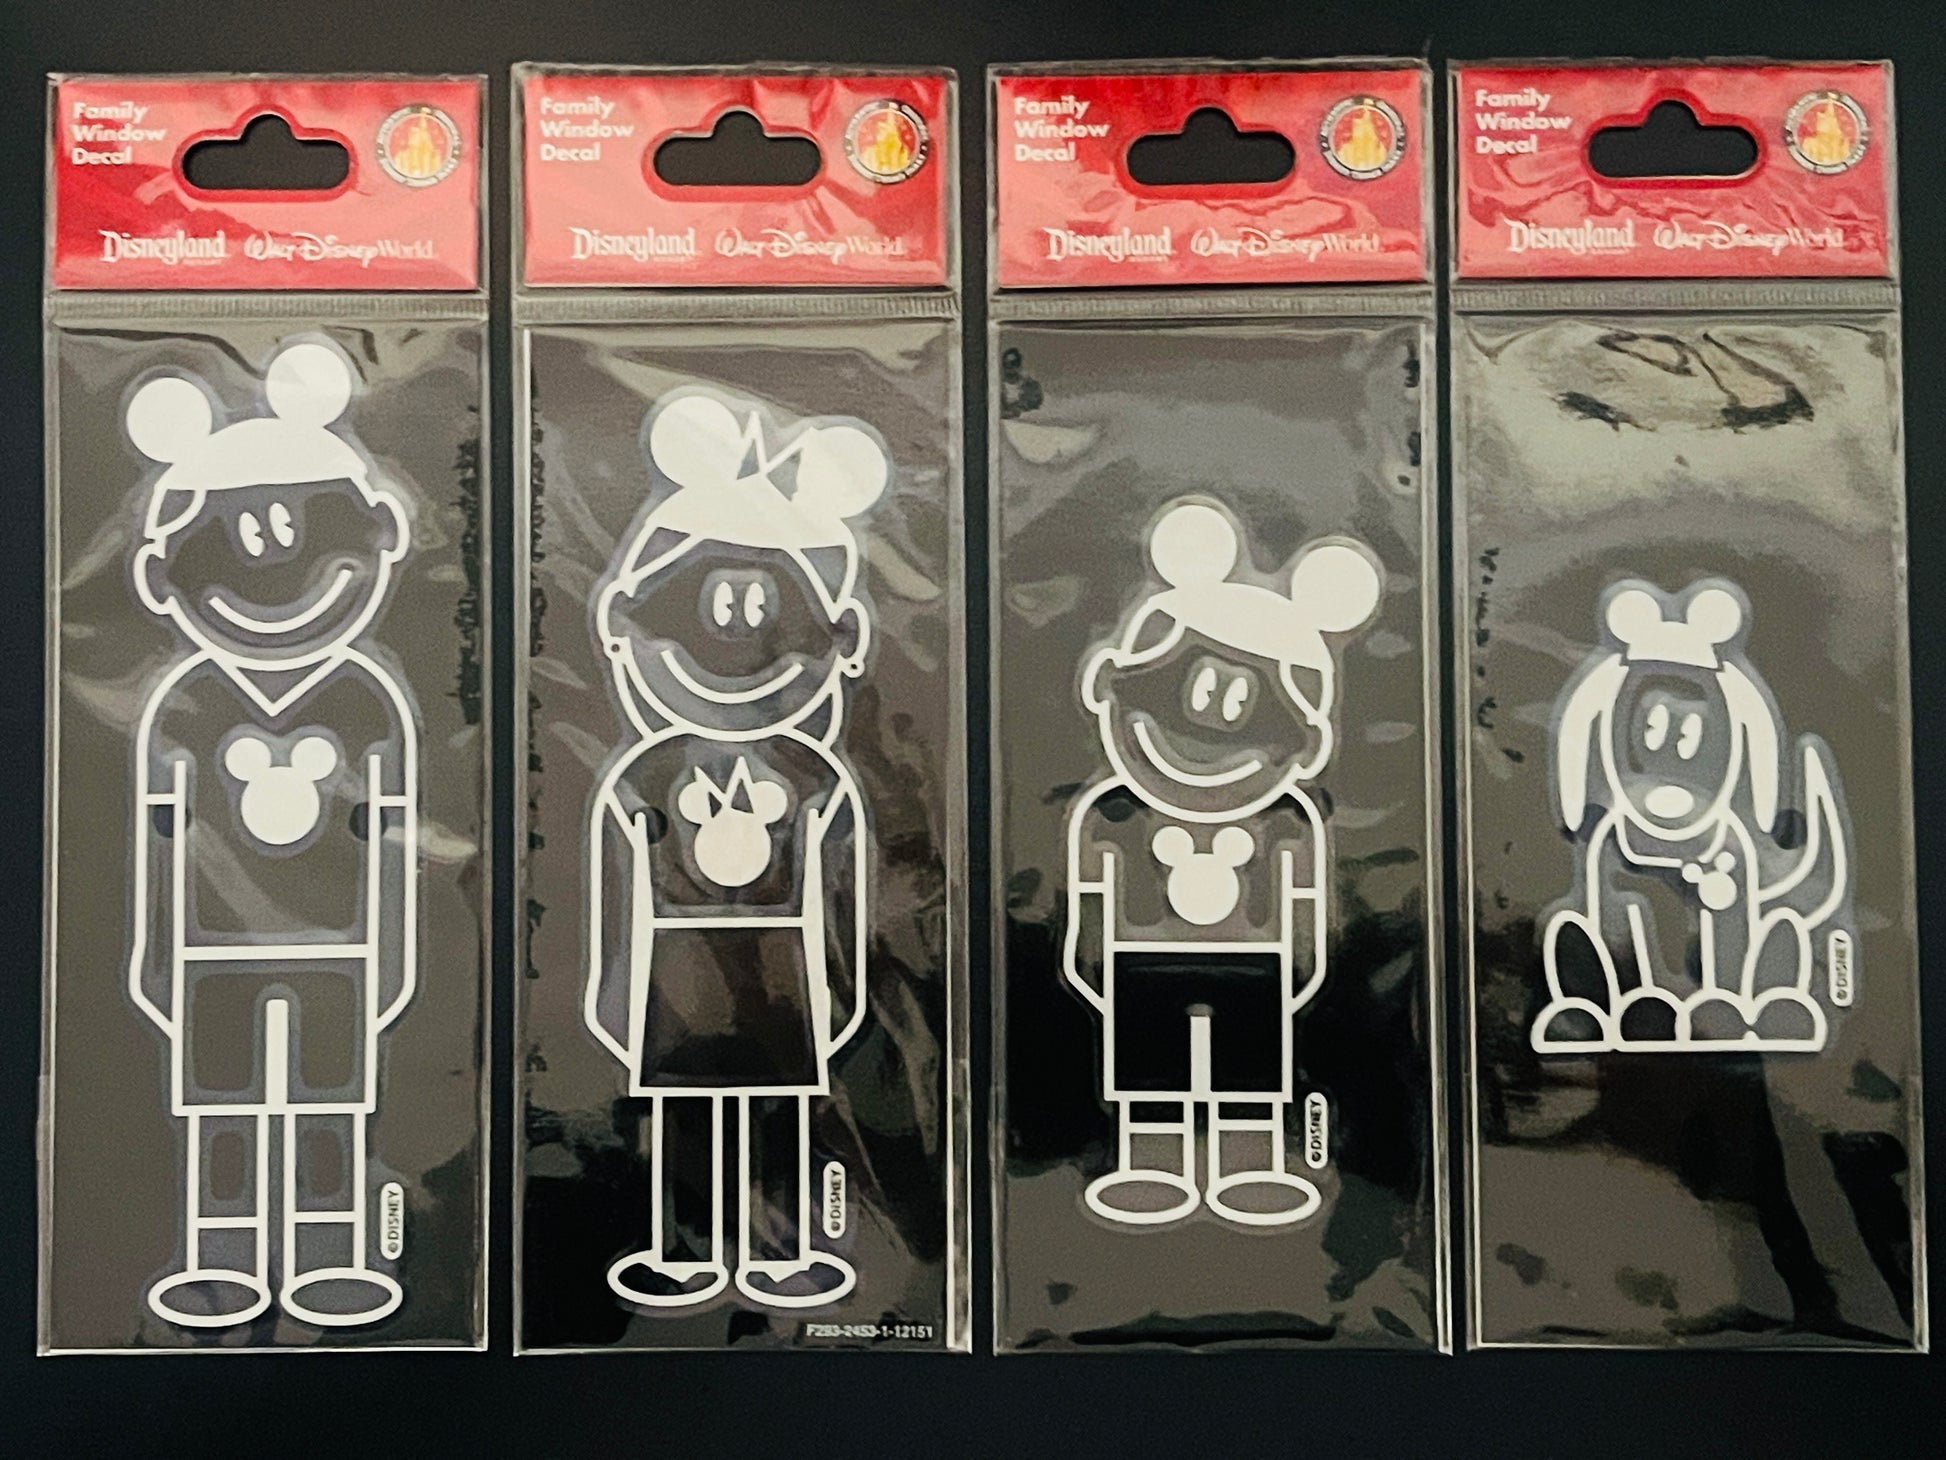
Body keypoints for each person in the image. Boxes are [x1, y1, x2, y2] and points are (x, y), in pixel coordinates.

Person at [126, 340, 416, 1328]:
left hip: (343, 947)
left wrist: (394, 961)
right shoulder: (185, 702)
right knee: (222, 1107)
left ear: (377, 534)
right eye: (238, 537)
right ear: (166, 573)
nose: (273, 557)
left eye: (300, 526)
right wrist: (156, 960)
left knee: (330, 1102)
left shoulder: (366, 696)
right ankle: (220, 1255)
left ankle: (331, 1252)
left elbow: (391, 837)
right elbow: (163, 838)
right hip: (211, 951)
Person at [586, 389, 881, 1309]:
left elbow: (837, 889)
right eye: (702, 604)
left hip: (783, 969)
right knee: (684, 1113)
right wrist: (612, 992)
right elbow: (619, 885)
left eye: (769, 608)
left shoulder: (812, 772)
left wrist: (839, 994)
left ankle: (783, 1247)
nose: (736, 634)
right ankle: (683, 1246)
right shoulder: (647, 770)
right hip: (674, 971)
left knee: (778, 1114)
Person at [1066, 499, 1380, 1227]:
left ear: (1301, 741)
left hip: (1255, 967)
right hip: (1140, 964)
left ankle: (1251, 1164)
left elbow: (1302, 904)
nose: (1209, 723)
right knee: (1150, 1071)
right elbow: (1093, 893)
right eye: (1184, 688)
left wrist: (1300, 974)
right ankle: (1150, 1164)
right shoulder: (1115, 810)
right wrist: (1093, 966)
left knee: (1250, 1070)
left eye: (1250, 706)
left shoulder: (1287, 819)